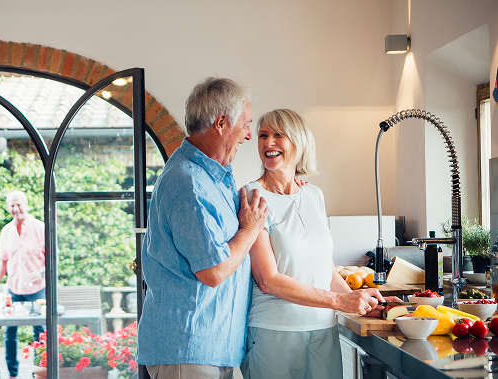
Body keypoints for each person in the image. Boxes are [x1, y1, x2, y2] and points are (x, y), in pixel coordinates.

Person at [241, 109, 394, 379]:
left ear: (298, 142)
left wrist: (363, 302)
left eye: (279, 135)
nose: (268, 142)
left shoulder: (313, 194)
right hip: (275, 332)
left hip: (323, 330)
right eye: (263, 135)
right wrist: (341, 301)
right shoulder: (254, 196)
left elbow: (326, 269)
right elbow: (268, 280)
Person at [136, 77, 269, 379]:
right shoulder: (188, 183)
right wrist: (249, 230)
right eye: (246, 124)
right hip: (188, 349)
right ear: (222, 123)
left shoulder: (213, 178)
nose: (249, 135)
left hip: (209, 349)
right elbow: (213, 271)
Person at [0, 190, 45, 379]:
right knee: (9, 332)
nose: (15, 209)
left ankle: (38, 374)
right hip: (13, 289)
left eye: (18, 204)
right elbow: (2, 262)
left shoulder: (40, 227)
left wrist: (42, 272)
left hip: (37, 290)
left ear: (26, 205)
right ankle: (12, 374)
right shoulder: (6, 231)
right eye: (12, 206)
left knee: (40, 333)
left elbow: (53, 259)